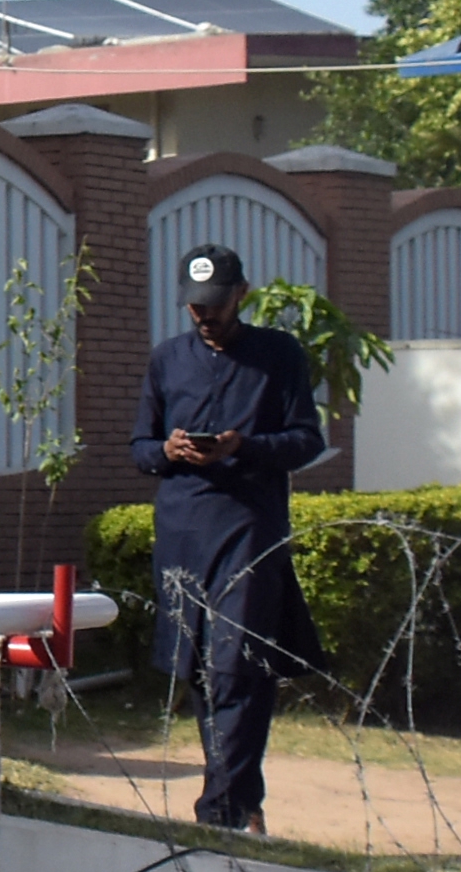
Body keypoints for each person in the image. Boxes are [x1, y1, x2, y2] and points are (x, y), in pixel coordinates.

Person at [128, 243, 324, 831]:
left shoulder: (278, 355)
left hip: (248, 527)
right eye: (194, 305)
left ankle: (223, 807)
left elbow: (306, 439)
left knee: (239, 662)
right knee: (199, 670)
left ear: (242, 294)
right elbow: (140, 446)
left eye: (214, 304)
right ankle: (239, 801)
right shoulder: (168, 360)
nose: (203, 315)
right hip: (184, 530)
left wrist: (246, 446)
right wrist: (169, 449)